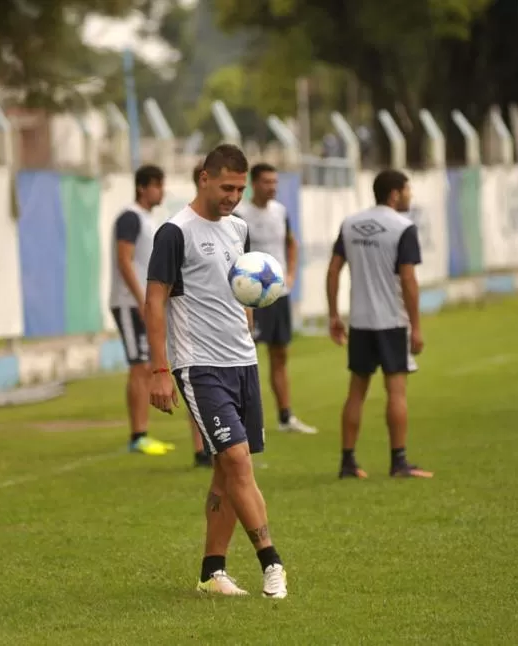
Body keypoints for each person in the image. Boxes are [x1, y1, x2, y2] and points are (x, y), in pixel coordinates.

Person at [146, 144, 288, 598]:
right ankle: (273, 563)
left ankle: (212, 571)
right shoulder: (174, 232)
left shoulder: (239, 229)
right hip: (198, 365)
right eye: (227, 186)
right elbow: (154, 300)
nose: (233, 196)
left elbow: (239, 292)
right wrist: (158, 369)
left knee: (226, 473)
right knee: (236, 461)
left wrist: (249, 325)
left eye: (240, 189)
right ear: (203, 178)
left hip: (242, 362)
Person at [325, 169, 432, 479]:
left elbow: (333, 271)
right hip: (391, 322)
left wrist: (334, 315)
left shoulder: (350, 223)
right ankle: (399, 462)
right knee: (396, 391)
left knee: (356, 392)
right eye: (408, 191)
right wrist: (417, 326)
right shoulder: (403, 227)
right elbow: (409, 280)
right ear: (395, 194)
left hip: (360, 322)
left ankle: (348, 462)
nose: (410, 196)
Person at [111, 164, 212, 467]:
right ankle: (138, 434)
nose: (161, 191)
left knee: (145, 365)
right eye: (157, 185)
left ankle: (143, 434)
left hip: (144, 303)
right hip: (130, 303)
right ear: (143, 187)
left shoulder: (147, 219)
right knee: (140, 367)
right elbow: (124, 260)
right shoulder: (129, 217)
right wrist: (144, 300)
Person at [234, 163, 317, 434]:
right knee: (247, 357)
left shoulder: (280, 212)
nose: (273, 187)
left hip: (278, 295)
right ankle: (243, 419)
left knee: (280, 354)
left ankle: (285, 417)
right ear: (253, 184)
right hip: (250, 299)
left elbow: (292, 243)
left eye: (275, 182)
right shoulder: (240, 215)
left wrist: (291, 274)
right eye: (267, 182)